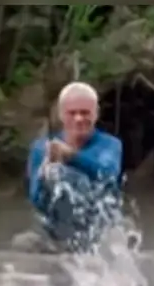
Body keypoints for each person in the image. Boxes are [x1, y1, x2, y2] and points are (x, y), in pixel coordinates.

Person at [13, 81, 124, 253]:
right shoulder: (41, 148)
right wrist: (43, 176)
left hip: (98, 227)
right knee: (21, 243)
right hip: (55, 231)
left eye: (85, 113)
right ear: (61, 115)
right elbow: (35, 199)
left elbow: (107, 174)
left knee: (120, 236)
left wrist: (71, 156)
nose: (79, 118)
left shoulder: (110, 145)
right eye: (72, 113)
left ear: (96, 114)